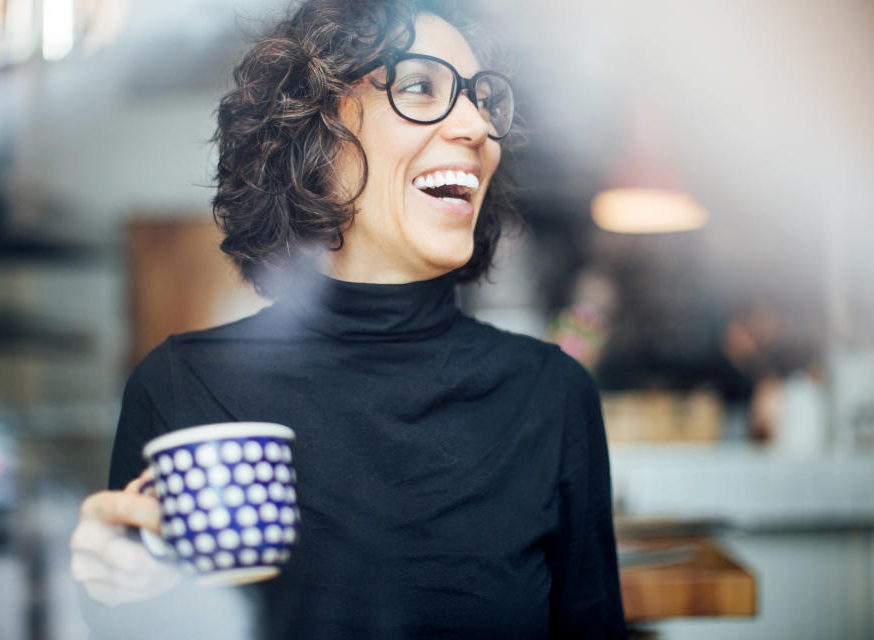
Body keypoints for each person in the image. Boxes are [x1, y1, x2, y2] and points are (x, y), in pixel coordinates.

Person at [70, 1, 626, 638]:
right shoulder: (182, 386)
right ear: (314, 131)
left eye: (481, 99)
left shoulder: (549, 397)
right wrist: (115, 591)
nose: (476, 126)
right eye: (421, 86)